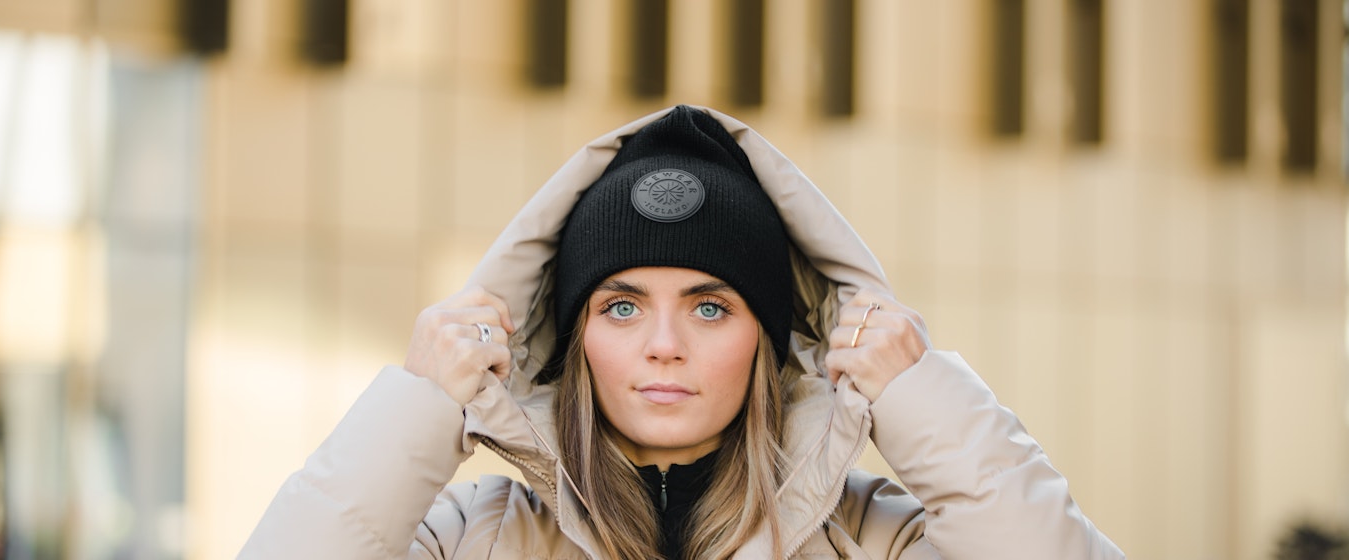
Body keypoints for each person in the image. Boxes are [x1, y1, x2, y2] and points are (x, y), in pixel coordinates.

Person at [240, 106, 1125, 559]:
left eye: (711, 306)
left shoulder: (871, 537)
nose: (665, 344)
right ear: (573, 334)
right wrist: (423, 403)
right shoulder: (470, 535)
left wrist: (921, 393)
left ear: (771, 341)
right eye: (621, 306)